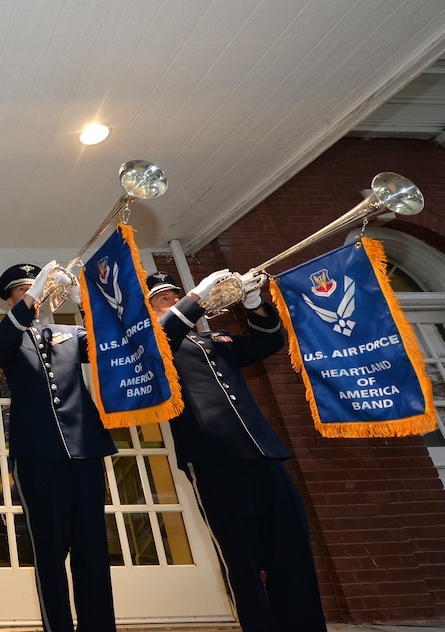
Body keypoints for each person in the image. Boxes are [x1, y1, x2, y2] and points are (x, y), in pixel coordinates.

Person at [147, 269, 327, 631]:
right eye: (161, 299)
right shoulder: (153, 342)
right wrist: (196, 296)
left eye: (173, 294)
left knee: (291, 549)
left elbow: (268, 343)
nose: (171, 300)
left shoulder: (217, 338)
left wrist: (253, 302)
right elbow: (165, 334)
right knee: (241, 559)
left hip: (263, 451)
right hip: (213, 456)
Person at [0, 262, 118, 632]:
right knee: (49, 553)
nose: (37, 294)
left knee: (92, 550)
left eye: (38, 287)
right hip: (37, 456)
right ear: (11, 298)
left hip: (86, 451)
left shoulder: (70, 331)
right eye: (25, 290)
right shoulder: (4, 335)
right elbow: (0, 348)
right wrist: (33, 293)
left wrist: (85, 302)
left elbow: (110, 342)